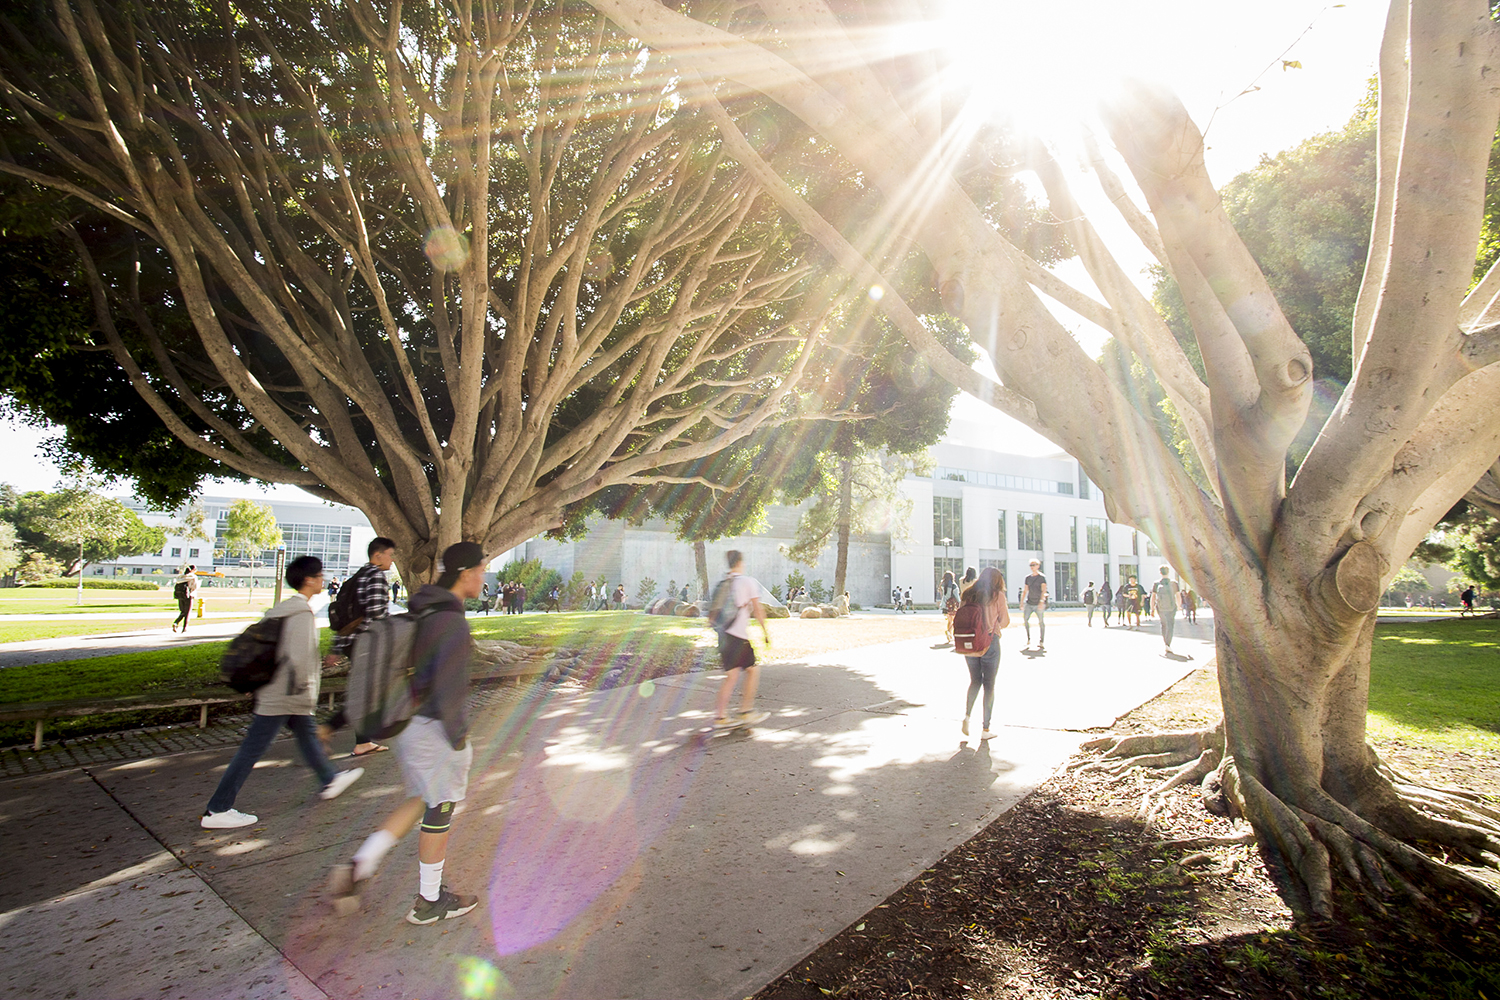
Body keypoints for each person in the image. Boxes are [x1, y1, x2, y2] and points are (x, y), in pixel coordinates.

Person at [329, 541, 486, 925]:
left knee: (420, 798)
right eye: (482, 569)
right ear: (466, 574)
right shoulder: (449, 621)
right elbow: (448, 688)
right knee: (440, 807)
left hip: (409, 724)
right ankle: (429, 902)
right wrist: (459, 738)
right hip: (433, 728)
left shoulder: (425, 610)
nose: (484, 576)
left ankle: (358, 866)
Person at [201, 556, 364, 829]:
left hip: (280, 692)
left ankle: (329, 779)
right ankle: (217, 809)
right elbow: (298, 660)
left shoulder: (283, 610)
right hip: (285, 695)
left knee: (306, 737)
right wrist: (306, 692)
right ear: (309, 579)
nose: (323, 578)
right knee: (252, 750)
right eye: (320, 574)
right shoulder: (300, 613)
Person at [321, 537, 399, 758]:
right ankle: (327, 728)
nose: (393, 560)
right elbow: (377, 616)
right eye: (390, 555)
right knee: (366, 695)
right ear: (378, 555)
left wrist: (336, 648)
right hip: (367, 644)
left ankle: (362, 741)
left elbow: (349, 614)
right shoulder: (375, 576)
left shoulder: (359, 575)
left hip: (352, 642)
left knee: (366, 694)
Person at [713, 550, 772, 729]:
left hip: (723, 635)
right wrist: (765, 632)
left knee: (731, 676)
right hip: (739, 636)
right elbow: (758, 610)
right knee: (753, 670)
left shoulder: (722, 583)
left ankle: (720, 717)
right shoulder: (748, 582)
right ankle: (746, 711)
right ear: (740, 562)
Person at [958, 566, 1011, 741]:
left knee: (974, 680)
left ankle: (967, 716)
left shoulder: (967, 594)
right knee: (989, 685)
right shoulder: (998, 596)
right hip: (990, 643)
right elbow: (1005, 622)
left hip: (970, 644)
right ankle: (985, 728)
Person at [1151, 565, 1182, 655]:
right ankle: (1168, 643)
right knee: (1170, 625)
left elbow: (1153, 597)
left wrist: (1152, 608)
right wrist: (1179, 606)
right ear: (1168, 572)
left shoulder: (1156, 583)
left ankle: (1166, 643)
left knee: (1164, 625)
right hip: (1172, 607)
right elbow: (1178, 595)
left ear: (1160, 573)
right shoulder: (1174, 583)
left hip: (1160, 608)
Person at [1021, 559, 1048, 651]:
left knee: (1041, 622)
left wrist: (1041, 602)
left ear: (1038, 566)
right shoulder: (1028, 578)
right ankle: (1028, 639)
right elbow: (1025, 590)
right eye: (1031, 565)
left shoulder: (1041, 578)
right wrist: (1021, 602)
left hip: (1038, 603)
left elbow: (1044, 590)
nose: (1032, 567)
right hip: (1029, 603)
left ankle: (1041, 641)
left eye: (1034, 565)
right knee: (1025, 620)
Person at [171, 564, 199, 633]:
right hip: (189, 595)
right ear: (193, 570)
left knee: (183, 611)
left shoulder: (180, 577)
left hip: (180, 595)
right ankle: (185, 628)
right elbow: (194, 587)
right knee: (187, 612)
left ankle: (176, 623)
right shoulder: (193, 577)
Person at [940, 570, 960, 642]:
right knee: (954, 621)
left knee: (949, 621)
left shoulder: (943, 585)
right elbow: (957, 597)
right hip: (952, 606)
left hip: (945, 605)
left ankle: (949, 635)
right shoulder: (954, 585)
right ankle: (949, 632)